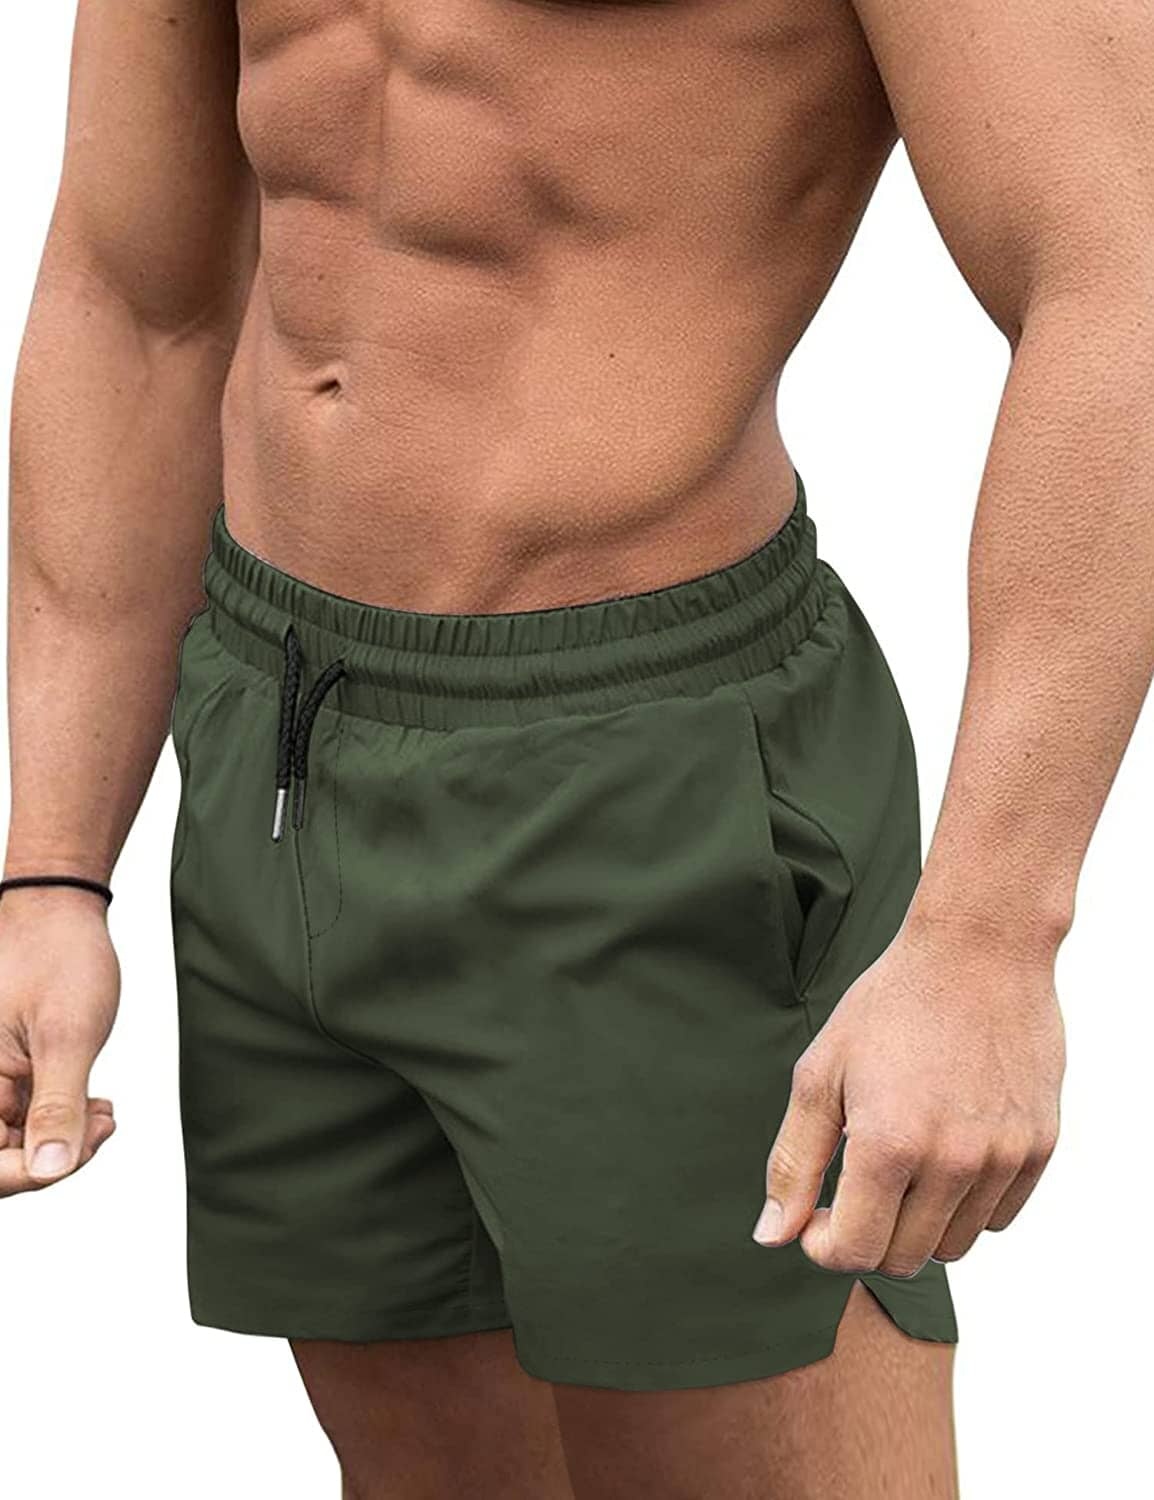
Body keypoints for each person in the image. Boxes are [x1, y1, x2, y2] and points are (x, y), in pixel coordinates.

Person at [2, 1, 1150, 1496]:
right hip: (274, 733)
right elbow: (133, 296)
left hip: (653, 781)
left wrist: (991, 935)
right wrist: (51, 870)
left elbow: (1123, 274)